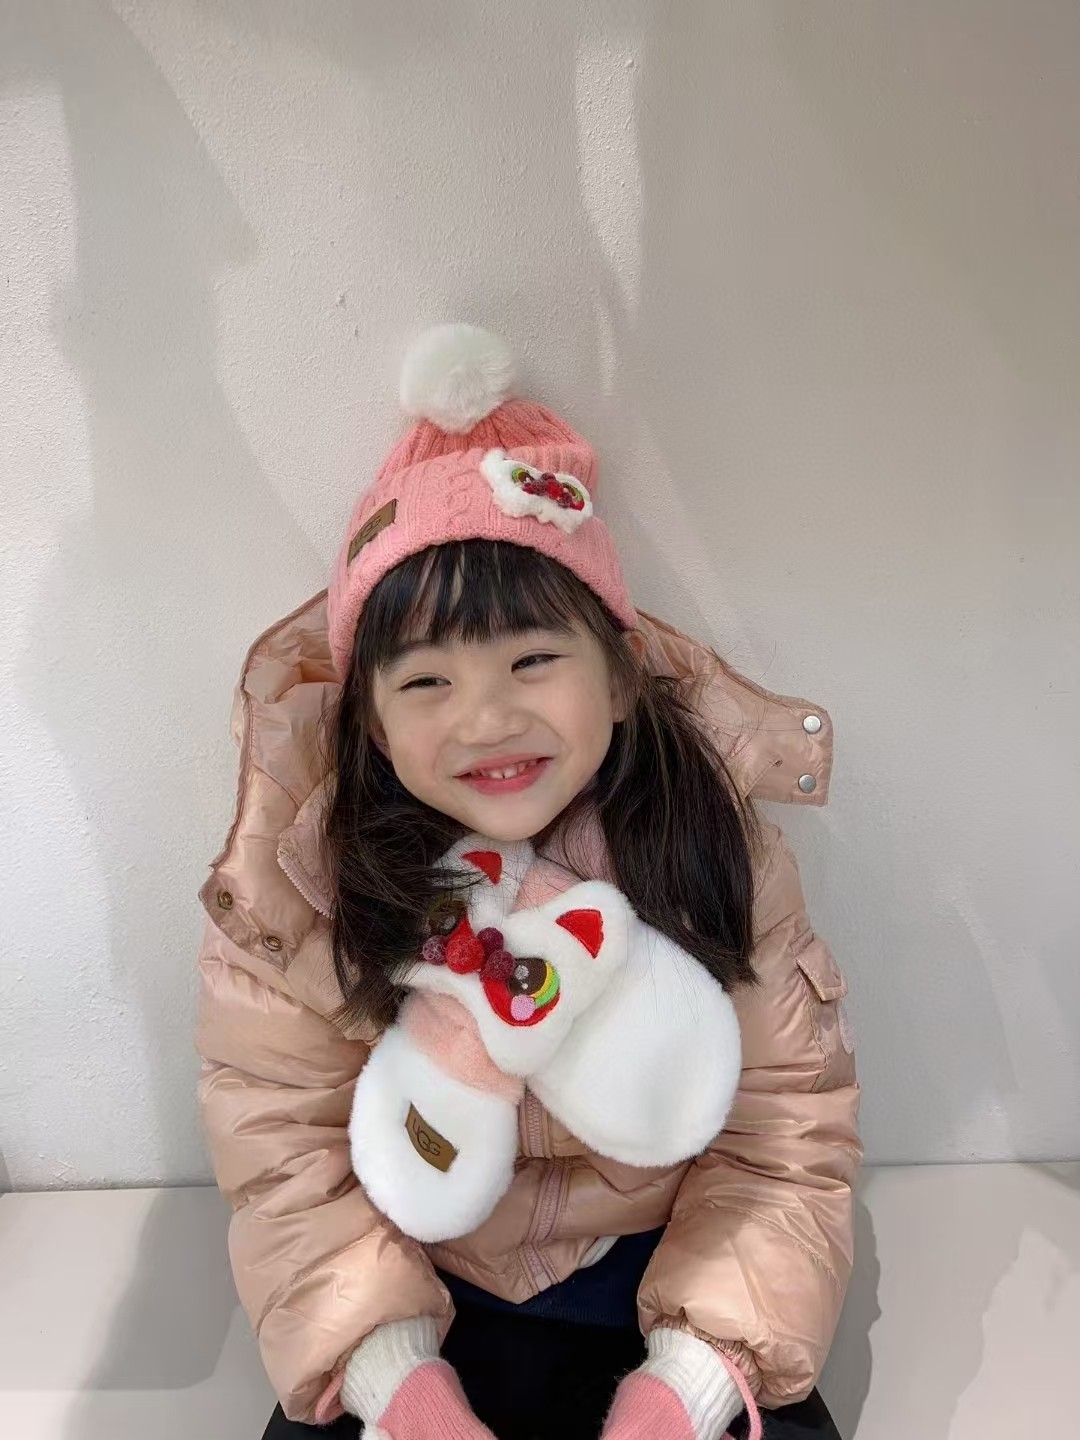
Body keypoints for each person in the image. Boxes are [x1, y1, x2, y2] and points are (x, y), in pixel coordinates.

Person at [196, 325, 860, 1440]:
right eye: (426, 681)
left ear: (619, 676)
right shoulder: (298, 884)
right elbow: (286, 1163)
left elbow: (784, 1137)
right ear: (372, 722)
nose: (487, 719)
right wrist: (396, 1384)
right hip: (414, 1291)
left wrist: (690, 1381)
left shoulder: (711, 847)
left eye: (533, 661)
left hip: (669, 1286)